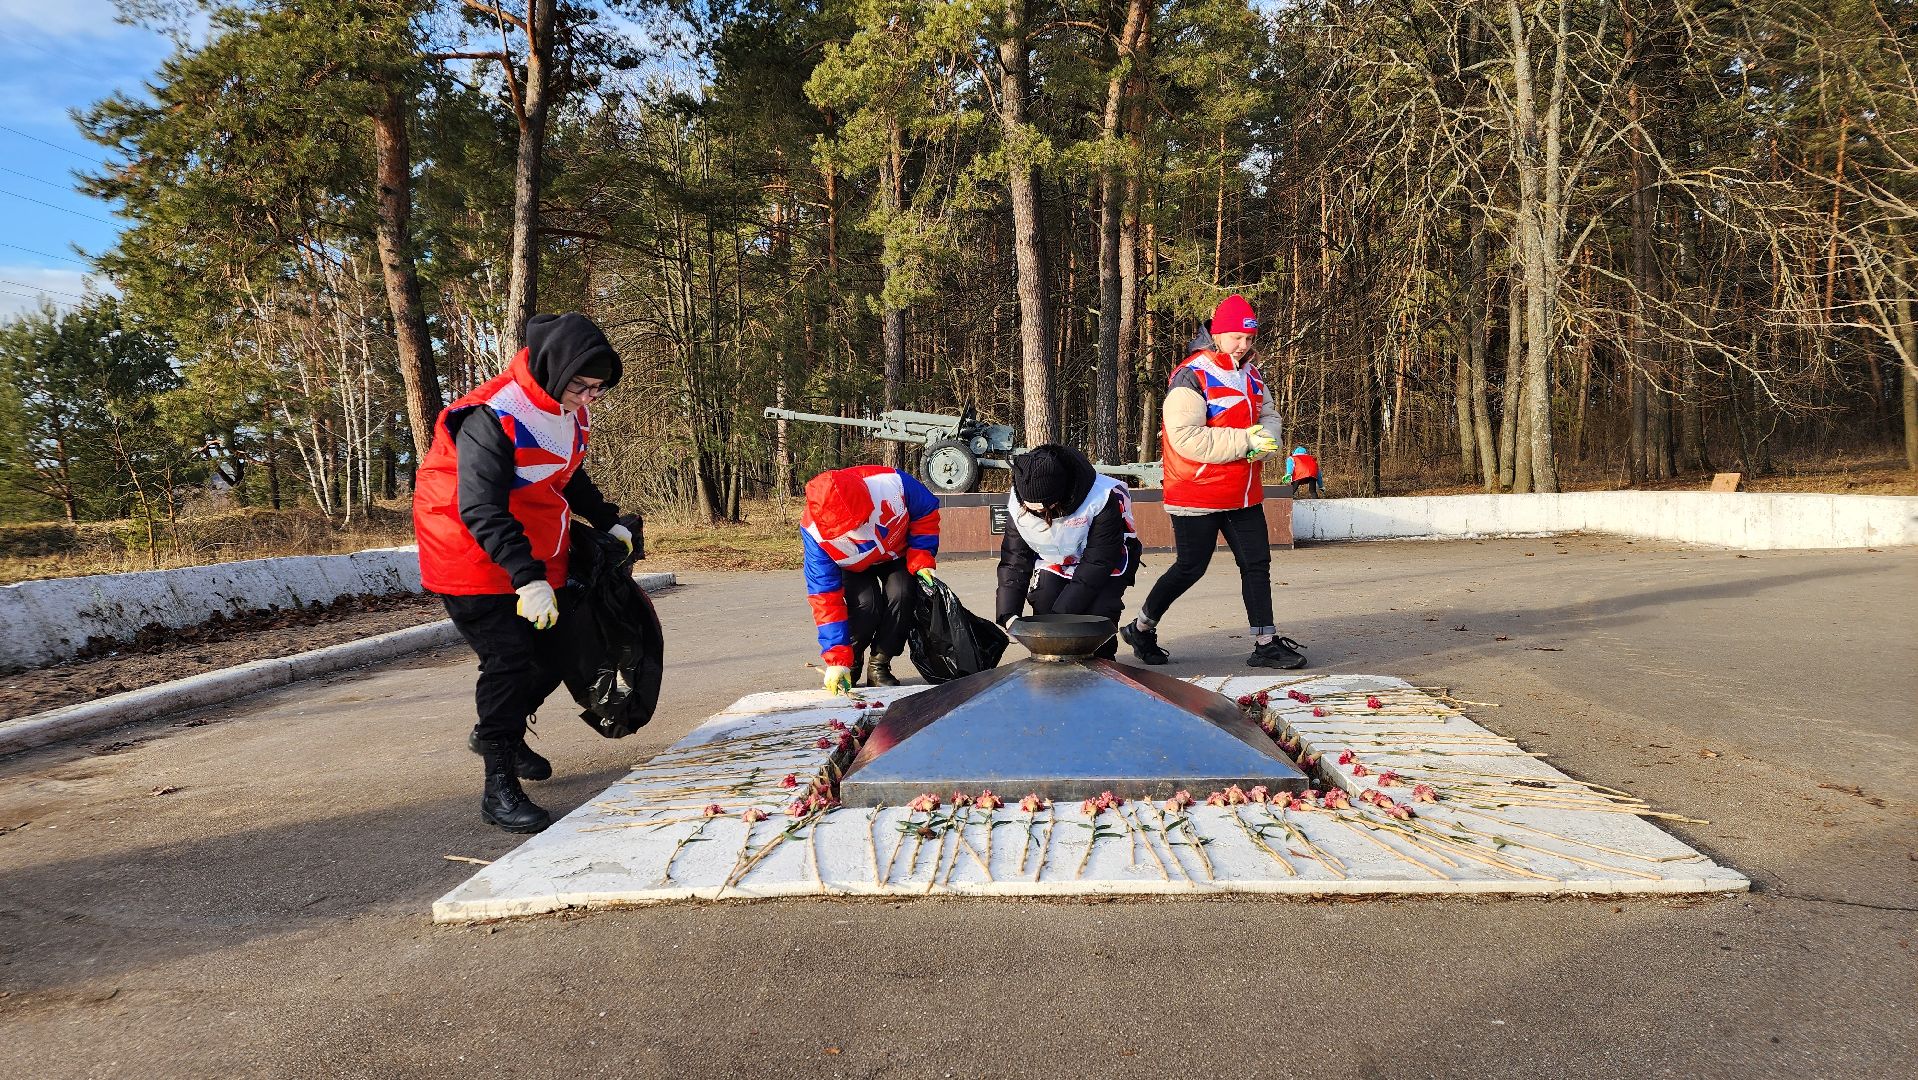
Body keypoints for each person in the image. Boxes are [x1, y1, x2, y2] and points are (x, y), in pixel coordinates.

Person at [413, 313, 635, 834]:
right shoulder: (492, 416)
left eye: (598, 389)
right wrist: (528, 579)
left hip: (531, 543)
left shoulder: (568, 409)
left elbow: (567, 473)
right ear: (555, 370)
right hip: (468, 550)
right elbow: (480, 508)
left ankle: (499, 733)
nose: (589, 398)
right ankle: (498, 787)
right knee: (510, 660)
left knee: (556, 654)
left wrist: (607, 520)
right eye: (581, 387)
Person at [1119, 294, 1308, 670]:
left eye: (1250, 338)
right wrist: (1246, 442)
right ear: (1217, 334)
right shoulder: (1191, 374)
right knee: (1191, 567)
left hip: (1243, 491)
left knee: (1256, 563)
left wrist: (1267, 442)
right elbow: (1185, 437)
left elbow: (1269, 415)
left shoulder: (1252, 374)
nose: (1244, 345)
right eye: (1237, 337)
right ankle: (1140, 628)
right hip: (1196, 492)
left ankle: (1266, 644)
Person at [994, 444, 1141, 659]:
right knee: (1045, 602)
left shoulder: (1101, 497)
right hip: (1055, 559)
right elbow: (1014, 558)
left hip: (1104, 561)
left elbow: (1098, 561)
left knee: (1098, 613)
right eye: (1030, 508)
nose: (1036, 514)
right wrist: (1009, 614)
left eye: (1043, 509)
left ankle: (1102, 663)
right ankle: (1052, 669)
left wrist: (1060, 617)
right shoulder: (1021, 499)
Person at [802, 465, 941, 692]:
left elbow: (925, 512)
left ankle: (880, 664)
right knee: (866, 605)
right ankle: (851, 663)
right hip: (852, 565)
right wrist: (837, 659)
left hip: (896, 553)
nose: (854, 533)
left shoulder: (892, 483)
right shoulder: (814, 533)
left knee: (902, 595)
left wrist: (921, 555)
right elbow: (825, 597)